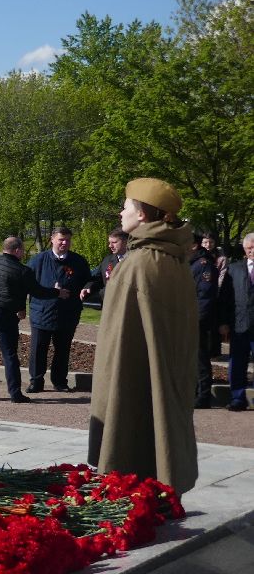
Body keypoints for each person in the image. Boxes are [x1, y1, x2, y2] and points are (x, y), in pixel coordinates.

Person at [88, 179, 197, 492]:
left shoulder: (138, 264)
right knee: (159, 425)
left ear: (144, 216)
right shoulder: (175, 261)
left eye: (127, 206)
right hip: (171, 371)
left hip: (136, 374)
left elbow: (121, 343)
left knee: (133, 425)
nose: (121, 212)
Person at [0, 237, 67, 403]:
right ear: (17, 250)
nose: (23, 253)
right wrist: (57, 293)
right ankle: (15, 393)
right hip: (4, 314)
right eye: (23, 250)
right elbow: (37, 291)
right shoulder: (22, 270)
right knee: (9, 355)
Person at [25, 227, 92, 394]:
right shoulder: (37, 260)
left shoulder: (78, 261)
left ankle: (60, 381)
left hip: (67, 313)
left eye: (67, 240)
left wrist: (87, 288)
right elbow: (26, 284)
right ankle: (36, 381)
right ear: (52, 239)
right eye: (61, 239)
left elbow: (88, 281)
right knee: (38, 349)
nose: (64, 243)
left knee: (62, 350)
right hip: (41, 312)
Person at [218, 233, 254, 413]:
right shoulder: (234, 269)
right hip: (239, 324)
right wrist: (223, 322)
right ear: (244, 249)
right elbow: (224, 298)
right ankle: (237, 398)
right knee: (237, 364)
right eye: (249, 248)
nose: (252, 251)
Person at [190, 234, 221, 408]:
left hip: (197, 320)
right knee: (191, 359)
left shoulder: (204, 265)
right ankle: (194, 392)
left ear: (193, 246)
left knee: (200, 359)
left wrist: (196, 320)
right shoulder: (191, 263)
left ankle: (203, 396)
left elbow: (205, 296)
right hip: (188, 318)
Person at [81, 229, 128, 307]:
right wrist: (88, 287)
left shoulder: (137, 259)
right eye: (109, 242)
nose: (110, 246)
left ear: (126, 242)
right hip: (110, 305)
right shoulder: (107, 260)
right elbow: (97, 278)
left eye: (114, 242)